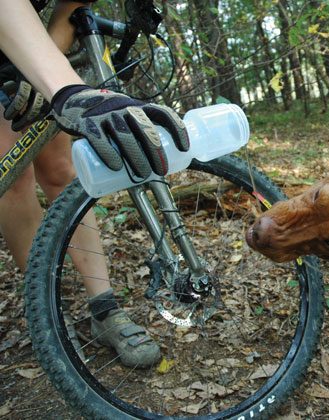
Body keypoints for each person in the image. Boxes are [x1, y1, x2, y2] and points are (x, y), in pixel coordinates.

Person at [0, 0, 189, 367]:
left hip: (31, 47)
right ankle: (47, 311)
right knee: (14, 180)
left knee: (60, 170)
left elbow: (70, 6)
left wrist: (45, 80)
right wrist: (61, 86)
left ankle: (105, 309)